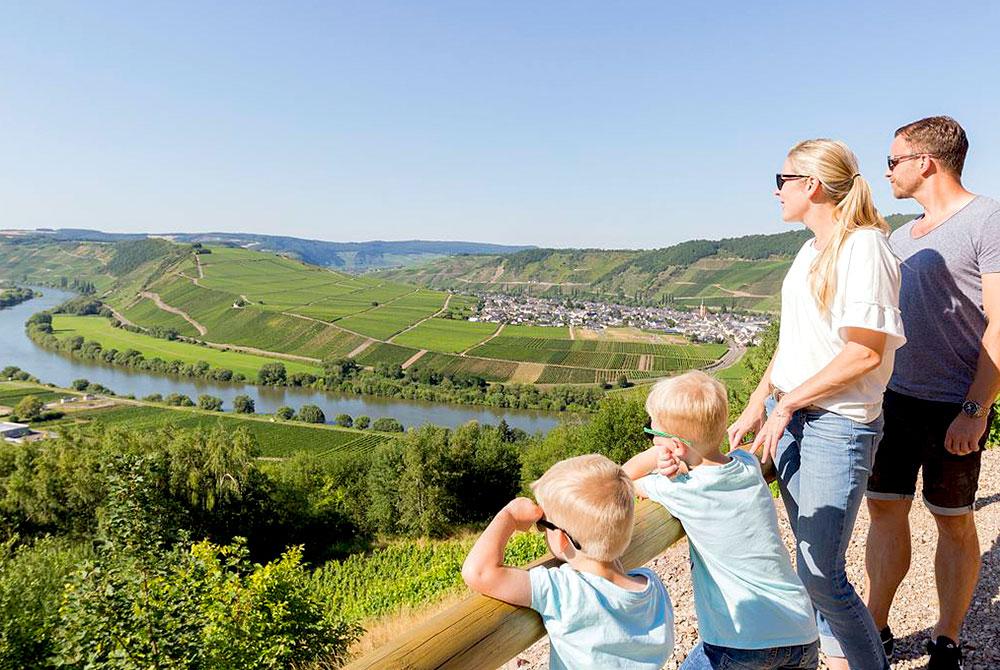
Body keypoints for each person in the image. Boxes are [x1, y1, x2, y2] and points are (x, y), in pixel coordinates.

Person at [729, 139, 905, 670]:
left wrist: (786, 406)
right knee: (810, 562)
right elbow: (795, 343)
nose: (775, 192)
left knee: (821, 571)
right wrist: (760, 402)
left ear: (810, 185)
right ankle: (831, 652)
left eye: (780, 181)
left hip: (835, 425)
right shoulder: (810, 250)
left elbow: (863, 352)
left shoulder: (864, 247)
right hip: (796, 418)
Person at [864, 115, 1000, 670]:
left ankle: (946, 637)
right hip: (894, 399)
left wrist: (975, 409)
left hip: (954, 403)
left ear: (926, 162)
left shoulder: (988, 219)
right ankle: (874, 626)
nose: (888, 170)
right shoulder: (900, 237)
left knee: (953, 519)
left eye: (894, 160)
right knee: (885, 511)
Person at [622, 371, 819, 670]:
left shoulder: (683, 489)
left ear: (673, 445)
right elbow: (728, 457)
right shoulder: (749, 466)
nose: (651, 440)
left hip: (740, 642)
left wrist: (655, 459)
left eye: (653, 435)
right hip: (800, 631)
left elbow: (623, 479)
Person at [461, 453, 674, 670]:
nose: (542, 530)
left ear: (562, 539)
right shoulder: (651, 585)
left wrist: (509, 516)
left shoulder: (565, 591)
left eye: (543, 525)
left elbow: (478, 572)